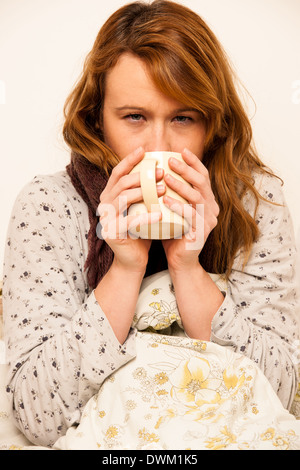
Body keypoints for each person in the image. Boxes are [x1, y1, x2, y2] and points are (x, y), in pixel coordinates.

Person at [2, 0, 299, 447]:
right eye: (134, 117)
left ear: (212, 125)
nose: (159, 147)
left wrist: (187, 268)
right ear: (97, 119)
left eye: (183, 118)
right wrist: (125, 267)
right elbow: (37, 413)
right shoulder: (48, 205)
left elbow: (279, 393)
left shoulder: (254, 200)